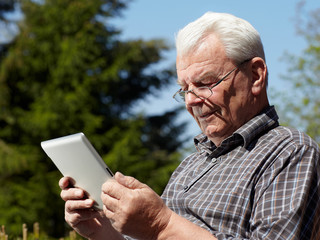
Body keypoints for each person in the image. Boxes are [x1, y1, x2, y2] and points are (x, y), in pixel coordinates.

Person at [59, 12, 320, 239]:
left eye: (206, 83)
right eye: (184, 89)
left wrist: (161, 225)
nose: (192, 101)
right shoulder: (191, 165)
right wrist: (102, 229)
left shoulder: (291, 152)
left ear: (255, 75)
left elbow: (159, 231)